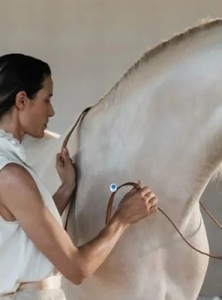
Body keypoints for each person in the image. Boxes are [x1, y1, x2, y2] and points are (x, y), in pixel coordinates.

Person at [0, 54, 158, 300]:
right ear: (22, 100)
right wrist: (123, 218)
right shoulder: (10, 173)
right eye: (47, 99)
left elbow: (24, 227)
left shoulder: (7, 165)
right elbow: (77, 268)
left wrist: (66, 188)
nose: (51, 111)